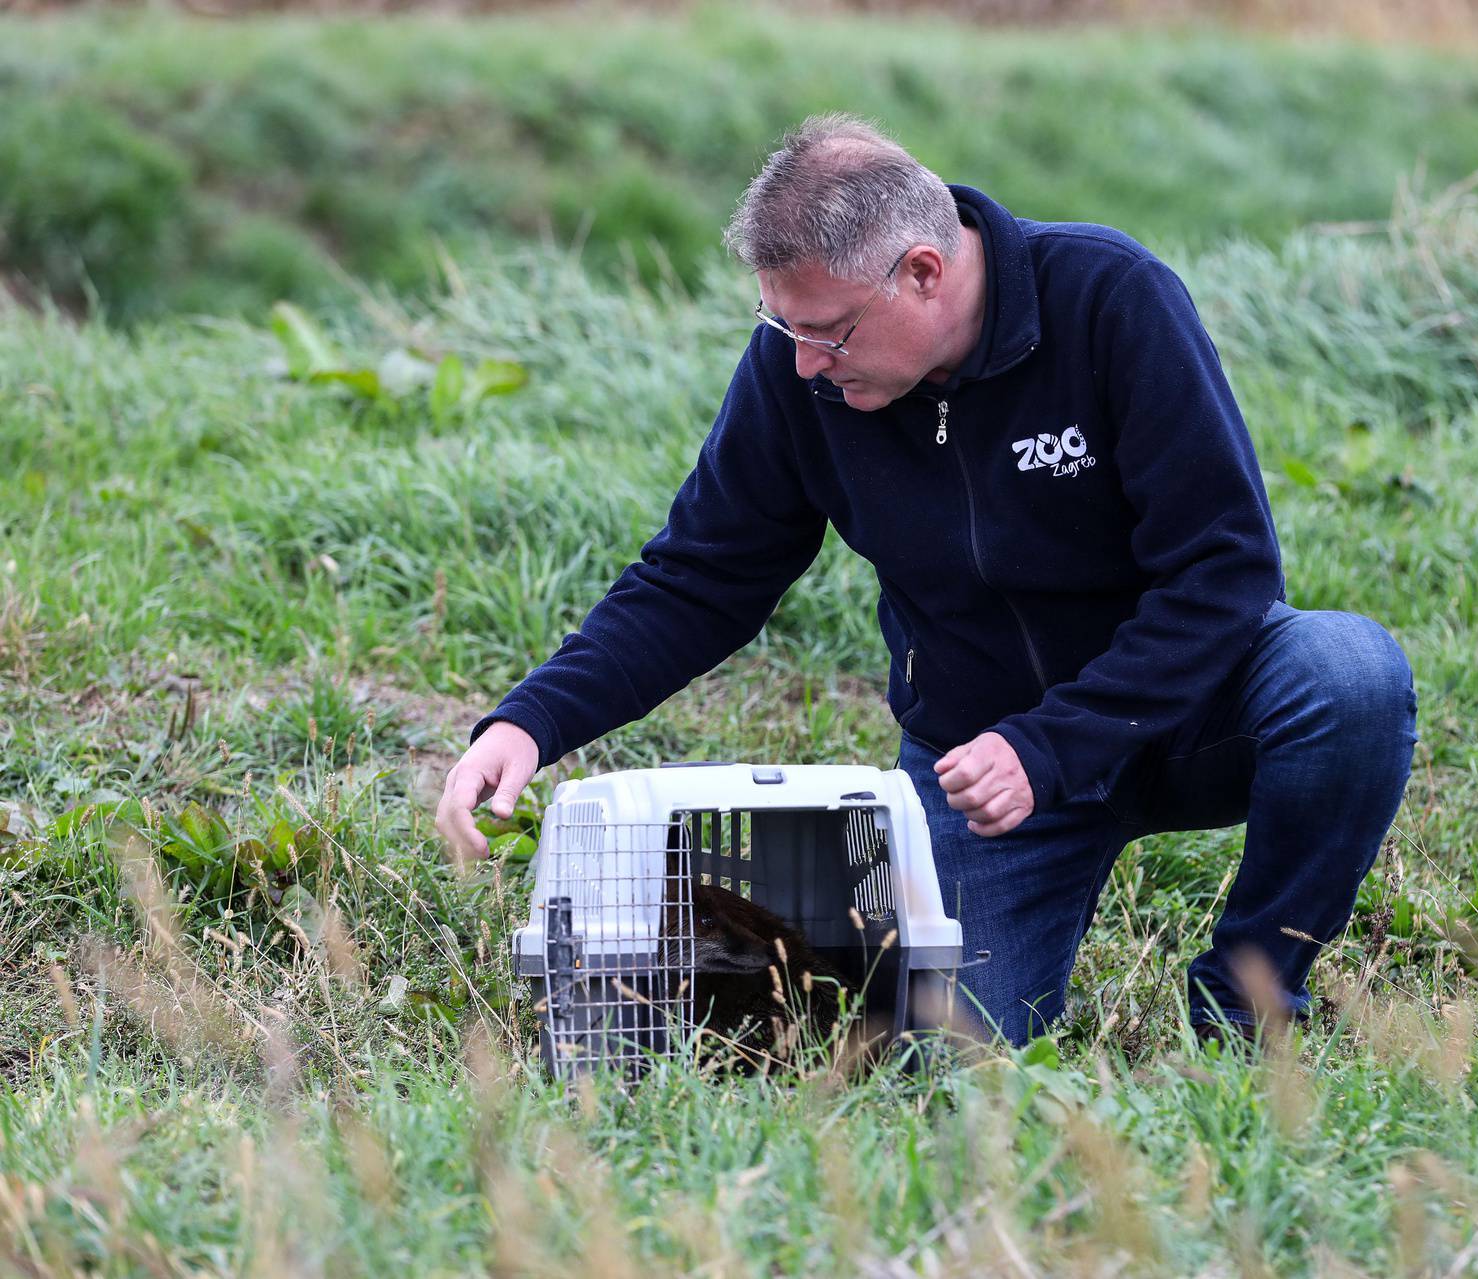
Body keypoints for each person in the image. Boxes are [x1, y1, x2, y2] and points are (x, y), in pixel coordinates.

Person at [436, 114, 1416, 1047]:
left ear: (923, 271)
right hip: (981, 772)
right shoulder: (796, 368)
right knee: (950, 1053)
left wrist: (1057, 742)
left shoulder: (1112, 298)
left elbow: (1225, 572)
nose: (806, 364)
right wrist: (532, 721)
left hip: (1187, 711)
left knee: (1348, 676)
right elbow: (703, 573)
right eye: (783, 328)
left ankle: (1249, 1005)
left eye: (829, 332)